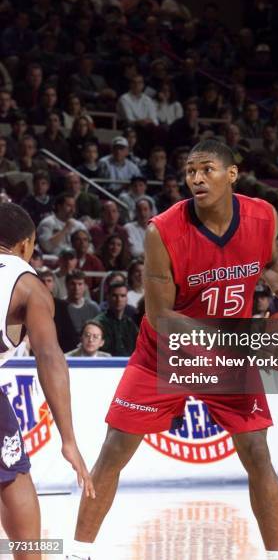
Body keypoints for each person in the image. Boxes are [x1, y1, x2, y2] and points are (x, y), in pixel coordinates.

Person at [68, 139, 278, 559]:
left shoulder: (262, 215)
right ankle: (77, 551)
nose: (196, 178)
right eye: (190, 170)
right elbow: (161, 316)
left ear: (232, 174)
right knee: (114, 452)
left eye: (207, 169)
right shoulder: (163, 230)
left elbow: (271, 263)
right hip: (165, 352)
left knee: (257, 452)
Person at [0, 203, 94, 560]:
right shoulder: (27, 285)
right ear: (27, 244)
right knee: (13, 476)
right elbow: (51, 357)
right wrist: (68, 440)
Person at [93, 281, 138, 357]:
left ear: (127, 299)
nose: (119, 300)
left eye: (122, 296)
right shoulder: (98, 323)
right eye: (114, 295)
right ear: (107, 297)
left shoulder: (130, 323)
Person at [65, 270, 100, 335]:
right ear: (66, 285)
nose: (76, 288)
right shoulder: (61, 307)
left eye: (80, 284)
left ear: (84, 286)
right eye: (73, 284)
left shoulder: (93, 307)